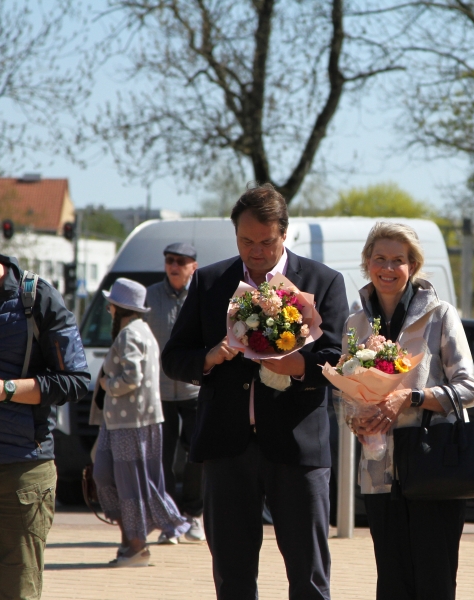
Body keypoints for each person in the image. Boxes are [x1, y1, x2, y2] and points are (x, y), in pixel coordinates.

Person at [161, 183, 348, 599]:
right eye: (246, 241)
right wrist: (210, 357)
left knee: (309, 576)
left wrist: (297, 364)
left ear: (284, 234)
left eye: (266, 241)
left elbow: (338, 358)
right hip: (227, 446)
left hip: (297, 448)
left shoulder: (323, 280)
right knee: (232, 577)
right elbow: (174, 357)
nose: (256, 251)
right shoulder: (210, 282)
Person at [0, 229, 90, 599]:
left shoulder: (37, 300)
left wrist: (6, 389)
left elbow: (76, 381)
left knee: (17, 589)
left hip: (20, 470)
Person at [345, 222, 474, 600]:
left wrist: (411, 397)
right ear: (367, 263)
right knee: (391, 582)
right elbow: (349, 393)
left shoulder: (440, 315)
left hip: (434, 465)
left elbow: (468, 389)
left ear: (413, 265)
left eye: (398, 260)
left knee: (434, 582)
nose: (388, 268)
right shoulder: (355, 324)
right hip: (378, 469)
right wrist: (355, 418)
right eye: (380, 258)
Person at [93, 278, 190, 567]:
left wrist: (108, 383)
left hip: (131, 423)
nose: (109, 309)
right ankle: (133, 541)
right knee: (111, 477)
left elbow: (131, 378)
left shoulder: (129, 335)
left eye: (111, 305)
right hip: (126, 422)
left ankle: (136, 546)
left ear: (119, 308)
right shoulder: (139, 330)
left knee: (130, 485)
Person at [144, 241, 206, 544]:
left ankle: (193, 515)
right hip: (159, 392)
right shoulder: (150, 296)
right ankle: (170, 519)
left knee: (196, 456)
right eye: (169, 259)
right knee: (162, 458)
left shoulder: (202, 295)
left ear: (193, 266)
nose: (174, 265)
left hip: (195, 390)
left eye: (181, 261)